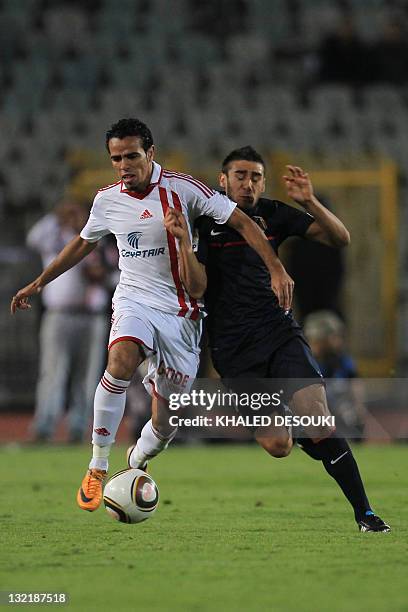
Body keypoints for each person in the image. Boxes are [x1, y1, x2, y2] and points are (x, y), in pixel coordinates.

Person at [11, 119, 293, 513]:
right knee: (120, 359)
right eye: (116, 158)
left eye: (131, 156)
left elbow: (242, 221)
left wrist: (276, 268)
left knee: (165, 422)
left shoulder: (185, 189)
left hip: (182, 314)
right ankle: (97, 465)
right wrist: (40, 281)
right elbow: (82, 243)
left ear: (150, 153)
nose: (124, 165)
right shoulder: (107, 200)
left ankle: (137, 460)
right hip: (134, 300)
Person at [193, 146, 390, 532]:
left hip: (279, 332)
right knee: (278, 444)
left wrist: (310, 201)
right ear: (223, 180)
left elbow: (340, 238)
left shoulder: (273, 213)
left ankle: (365, 513)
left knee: (319, 419)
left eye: (255, 177)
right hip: (233, 351)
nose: (248, 184)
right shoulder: (202, 220)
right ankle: (299, 431)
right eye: (240, 176)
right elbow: (196, 286)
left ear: (263, 182)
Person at [26, 199, 111, 443]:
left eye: (79, 213)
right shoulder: (55, 237)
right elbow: (33, 237)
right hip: (59, 314)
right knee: (53, 373)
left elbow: (113, 273)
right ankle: (44, 426)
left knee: (87, 377)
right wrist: (56, 216)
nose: (74, 217)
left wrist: (102, 274)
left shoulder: (98, 239)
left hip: (93, 317)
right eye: (70, 214)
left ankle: (78, 428)